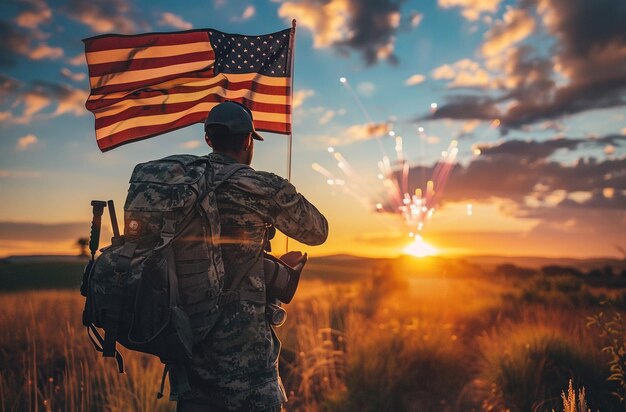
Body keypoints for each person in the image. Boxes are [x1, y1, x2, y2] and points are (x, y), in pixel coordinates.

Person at [176, 101, 329, 412]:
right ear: (248, 140)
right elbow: (318, 231)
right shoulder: (259, 185)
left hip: (189, 355)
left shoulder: (179, 186)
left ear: (208, 139)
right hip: (247, 365)